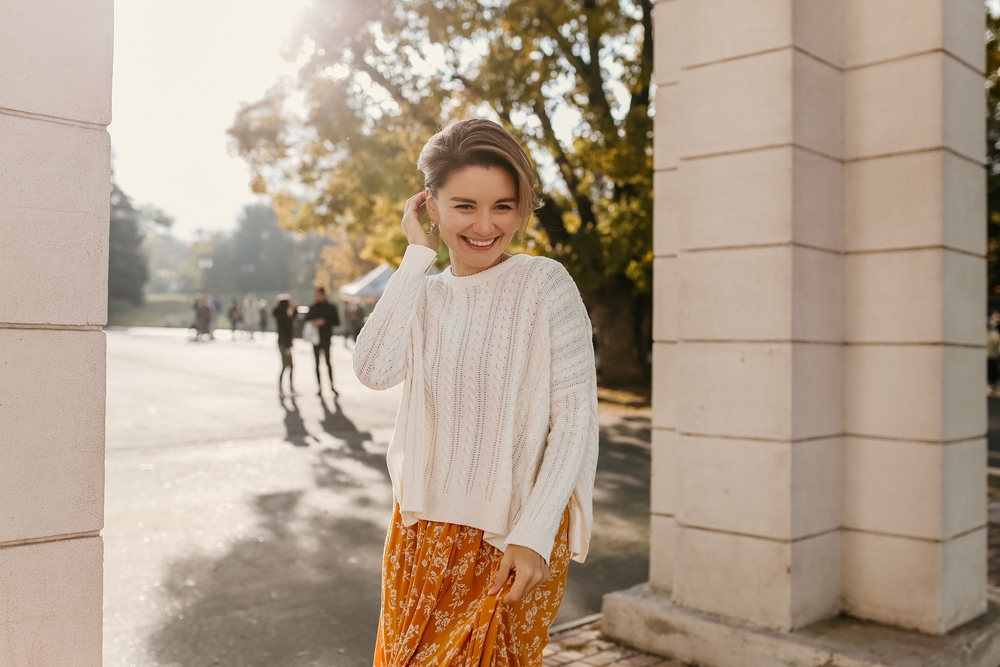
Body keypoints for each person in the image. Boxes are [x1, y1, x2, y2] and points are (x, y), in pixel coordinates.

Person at [353, 119, 599, 667]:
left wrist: (534, 534)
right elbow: (372, 369)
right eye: (464, 206)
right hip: (420, 533)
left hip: (511, 536)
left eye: (503, 207)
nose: (486, 225)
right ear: (430, 205)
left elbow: (573, 420)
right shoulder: (424, 291)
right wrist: (416, 257)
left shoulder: (545, 284)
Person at [305, 286, 340, 396]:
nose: (317, 297)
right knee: (317, 363)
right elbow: (306, 320)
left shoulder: (330, 307)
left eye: (318, 294)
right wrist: (314, 322)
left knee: (328, 362)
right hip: (315, 339)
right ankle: (319, 388)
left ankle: (332, 386)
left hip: (326, 337)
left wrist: (325, 322)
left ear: (323, 294)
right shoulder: (312, 307)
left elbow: (337, 321)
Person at [273, 296, 296, 396]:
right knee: (287, 366)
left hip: (284, 344)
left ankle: (288, 387)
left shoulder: (283, 316)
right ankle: (284, 388)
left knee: (288, 366)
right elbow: (285, 332)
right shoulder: (283, 317)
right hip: (284, 344)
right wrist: (287, 346)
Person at [989, 314, 1000, 396]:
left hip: (994, 356)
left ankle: (994, 385)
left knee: (994, 371)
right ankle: (993, 385)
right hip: (992, 356)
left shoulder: (995, 333)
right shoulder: (993, 332)